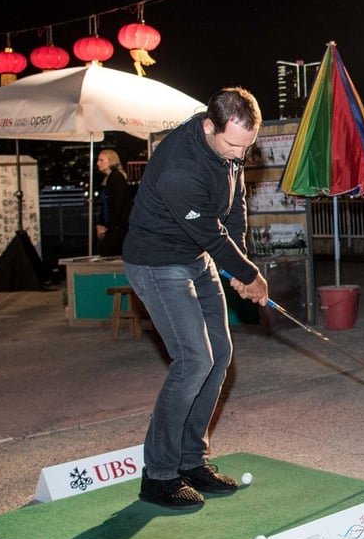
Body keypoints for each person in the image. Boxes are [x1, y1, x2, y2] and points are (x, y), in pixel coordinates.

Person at [123, 87, 269, 511]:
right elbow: (209, 232)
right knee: (193, 360)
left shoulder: (230, 149)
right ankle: (159, 474)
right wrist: (248, 275)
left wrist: (239, 264)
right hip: (156, 263)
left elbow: (234, 208)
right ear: (209, 126)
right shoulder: (178, 168)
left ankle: (191, 460)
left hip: (196, 258)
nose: (240, 157)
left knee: (219, 355)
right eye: (234, 146)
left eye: (247, 147)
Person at [95, 149, 131, 256]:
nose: (98, 163)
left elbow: (117, 206)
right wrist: (101, 224)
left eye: (101, 160)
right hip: (112, 227)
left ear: (110, 161)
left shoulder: (116, 178)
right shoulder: (110, 178)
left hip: (117, 228)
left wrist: (107, 227)